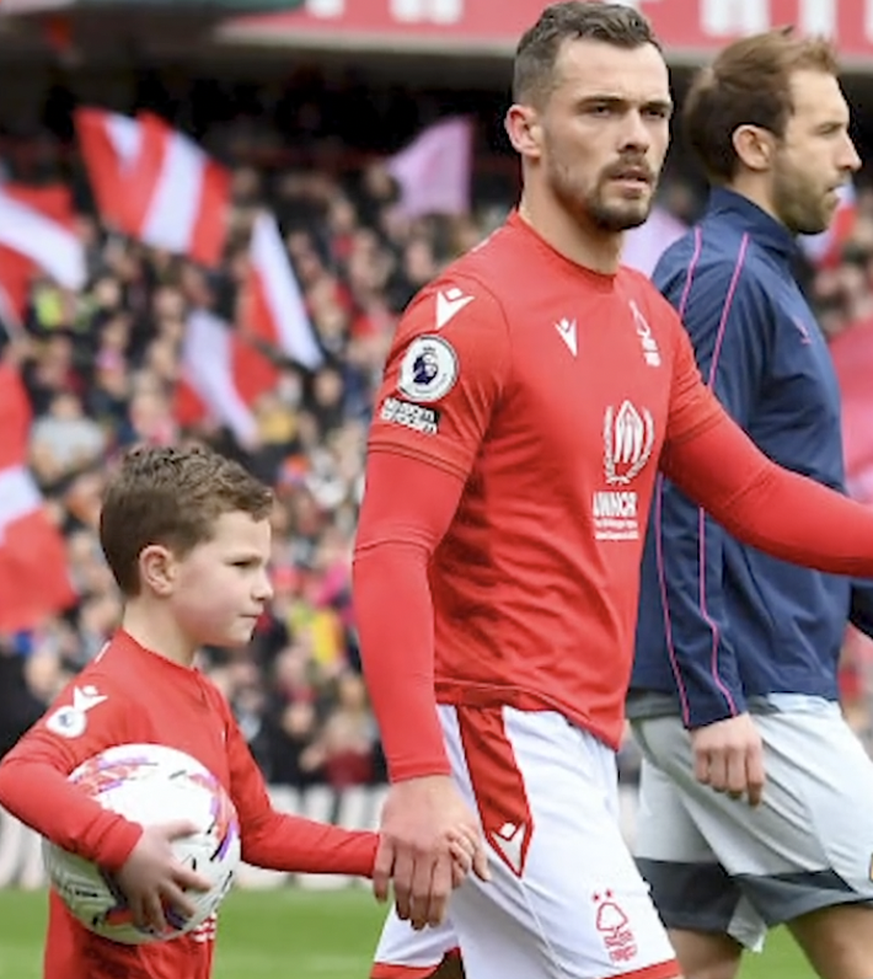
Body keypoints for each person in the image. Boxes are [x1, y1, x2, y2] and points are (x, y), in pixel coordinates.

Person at [351, 3, 873, 978]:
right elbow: (388, 549)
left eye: (652, 112)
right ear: (527, 129)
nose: (635, 136)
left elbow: (752, 493)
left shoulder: (644, 316)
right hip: (497, 732)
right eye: (599, 109)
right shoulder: (470, 315)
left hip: (581, 737)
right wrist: (420, 775)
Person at [0, 444, 472, 979]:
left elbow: (259, 832)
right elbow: (20, 773)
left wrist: (388, 853)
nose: (265, 589)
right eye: (242, 565)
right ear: (160, 570)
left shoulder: (206, 700)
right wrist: (123, 845)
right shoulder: (113, 690)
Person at [629, 29, 873, 979]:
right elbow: (677, 488)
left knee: (687, 961)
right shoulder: (720, 277)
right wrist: (713, 694)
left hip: (729, 684)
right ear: (755, 147)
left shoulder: (759, 276)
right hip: (742, 693)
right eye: (829, 130)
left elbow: (798, 514)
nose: (851, 155)